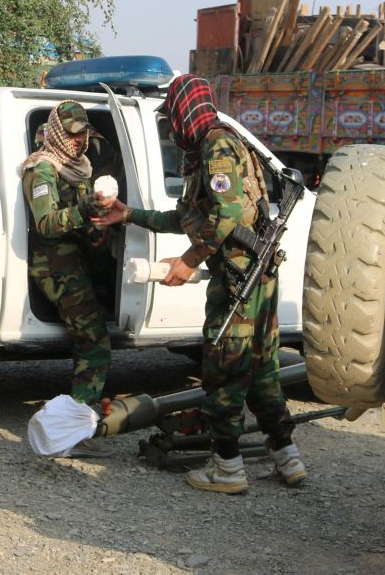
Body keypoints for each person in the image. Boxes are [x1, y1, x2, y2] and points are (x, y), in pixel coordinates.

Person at [94, 74, 307, 494]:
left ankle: (226, 468)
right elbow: (191, 217)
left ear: (184, 109)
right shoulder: (210, 149)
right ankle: (288, 459)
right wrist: (129, 214)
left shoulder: (216, 145)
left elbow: (226, 213)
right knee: (262, 370)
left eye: (171, 114)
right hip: (253, 276)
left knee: (224, 371)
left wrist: (189, 261)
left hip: (239, 281)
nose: (171, 125)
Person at [21, 101, 114, 458]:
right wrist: (83, 210)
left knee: (92, 338)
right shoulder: (42, 169)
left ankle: (72, 427)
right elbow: (46, 223)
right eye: (73, 135)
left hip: (75, 262)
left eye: (82, 136)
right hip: (55, 267)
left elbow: (78, 222)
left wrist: (96, 227)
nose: (78, 143)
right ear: (59, 132)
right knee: (95, 343)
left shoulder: (78, 168)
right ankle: (72, 434)